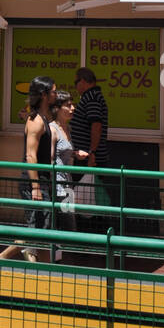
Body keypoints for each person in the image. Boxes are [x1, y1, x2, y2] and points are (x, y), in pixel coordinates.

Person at [0, 76, 56, 262]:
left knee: (43, 228)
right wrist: (36, 186)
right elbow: (31, 155)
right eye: (53, 91)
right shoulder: (36, 121)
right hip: (34, 183)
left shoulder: (44, 119)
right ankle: (2, 257)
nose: (56, 94)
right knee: (37, 227)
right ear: (45, 95)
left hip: (42, 181)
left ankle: (46, 268)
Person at [69, 67, 114, 235]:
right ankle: (91, 236)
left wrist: (92, 153)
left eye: (76, 82)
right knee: (88, 198)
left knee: (87, 200)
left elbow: (96, 126)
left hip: (88, 158)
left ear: (84, 81)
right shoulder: (92, 97)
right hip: (87, 156)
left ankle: (93, 237)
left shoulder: (91, 97)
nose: (75, 86)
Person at [48, 91, 89, 258]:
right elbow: (49, 159)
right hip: (57, 185)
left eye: (73, 105)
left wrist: (74, 154)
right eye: (68, 105)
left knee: (68, 222)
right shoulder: (52, 129)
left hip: (67, 183)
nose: (73, 108)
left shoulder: (67, 128)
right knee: (64, 222)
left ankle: (60, 257)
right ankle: (54, 258)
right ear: (57, 108)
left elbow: (62, 152)